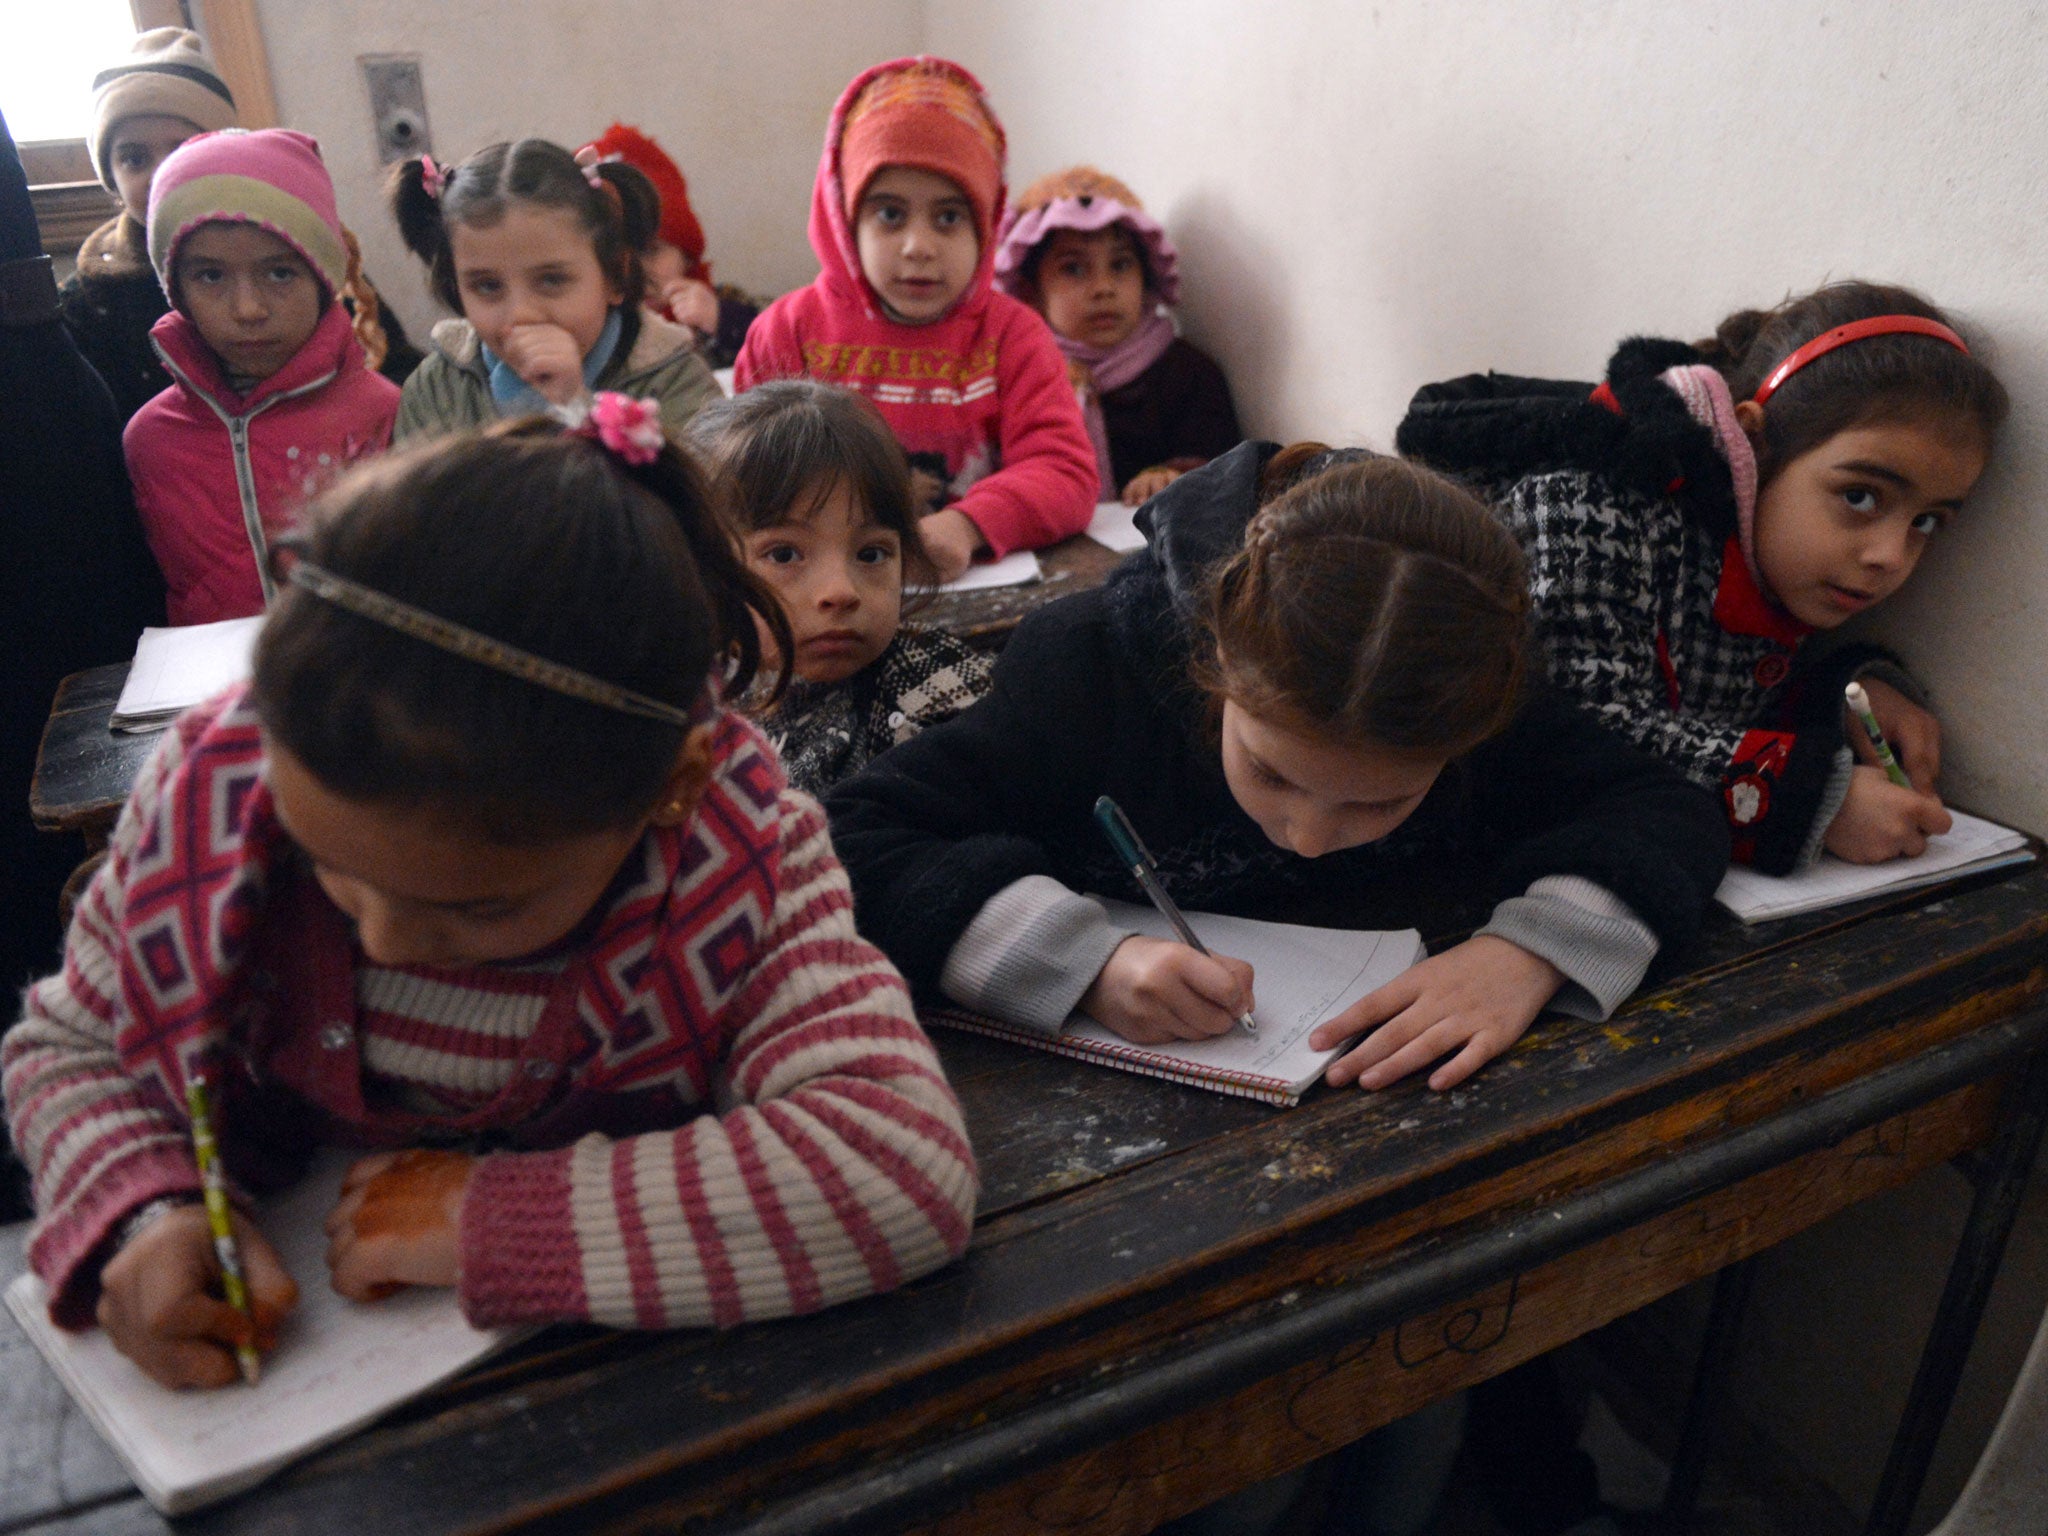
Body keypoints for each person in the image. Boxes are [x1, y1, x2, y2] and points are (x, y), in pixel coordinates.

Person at [1, 407, 978, 1389]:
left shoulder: (735, 856)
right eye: (326, 866)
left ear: (669, 788)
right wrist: (144, 1205)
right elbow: (76, 1047)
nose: (380, 937)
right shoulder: (217, 791)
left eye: (474, 909)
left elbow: (898, 1165)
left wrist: (485, 1221)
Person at [827, 442, 1729, 1092]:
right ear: (1212, 664)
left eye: (1380, 802)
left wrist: (1528, 953)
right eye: (1273, 774)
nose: (1307, 837)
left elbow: (1664, 808)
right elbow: (855, 842)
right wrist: (1086, 966)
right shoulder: (1087, 674)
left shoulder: (1477, 699)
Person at [1396, 280, 2009, 874]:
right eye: (1860, 495)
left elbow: (1718, 695)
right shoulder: (1591, 503)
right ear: (1752, 441)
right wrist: (1814, 798)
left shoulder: (1772, 550)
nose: (1889, 556)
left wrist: (1847, 691)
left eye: (1926, 520)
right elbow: (1573, 728)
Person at [733, 56, 1098, 584]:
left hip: (969, 593)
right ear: (843, 218)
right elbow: (743, 479)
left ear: (986, 226)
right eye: (889, 214)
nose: (919, 247)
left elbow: (1065, 472)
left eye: (949, 217)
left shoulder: (1012, 335)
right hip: (819, 598)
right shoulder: (786, 331)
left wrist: (969, 524)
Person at [59, 28, 417, 423]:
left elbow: (393, 368)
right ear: (109, 176)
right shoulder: (91, 303)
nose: (159, 173)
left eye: (181, 149)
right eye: (133, 158)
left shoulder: (303, 245)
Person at [125, 128, 400, 625]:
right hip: (209, 689)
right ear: (176, 289)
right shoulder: (152, 441)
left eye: (279, 273)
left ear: (322, 278)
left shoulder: (383, 412)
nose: (248, 309)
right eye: (210, 276)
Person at [688, 380, 992, 797]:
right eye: (783, 555)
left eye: (871, 554)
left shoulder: (931, 691)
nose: (840, 591)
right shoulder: (692, 697)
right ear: (707, 567)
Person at [389, 138, 720, 444]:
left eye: (551, 280)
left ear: (616, 276)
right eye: (487, 286)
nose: (521, 313)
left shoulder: (676, 381)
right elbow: (416, 507)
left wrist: (575, 408)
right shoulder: (437, 388)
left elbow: (693, 502)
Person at [994, 165, 1241, 505]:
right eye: (1074, 269)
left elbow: (1227, 473)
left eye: (1121, 265)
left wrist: (1172, 477)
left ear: (1148, 274)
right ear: (1030, 291)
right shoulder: (1019, 377)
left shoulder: (1188, 373)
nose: (1103, 288)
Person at [579, 122, 762, 369]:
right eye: (614, 253)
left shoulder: (722, 301)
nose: (635, 268)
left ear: (686, 256)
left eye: (651, 250)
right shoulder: (583, 323)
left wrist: (723, 320)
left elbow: (779, 341)